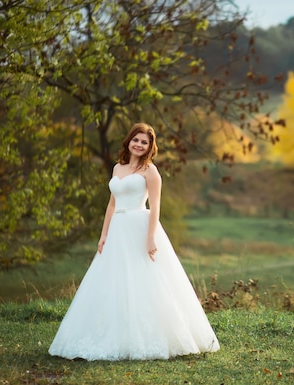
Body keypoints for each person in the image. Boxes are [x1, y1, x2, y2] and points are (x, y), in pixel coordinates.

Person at [49, 123, 220, 361]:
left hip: (139, 226)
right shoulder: (117, 168)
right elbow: (112, 204)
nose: (139, 145)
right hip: (118, 229)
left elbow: (155, 207)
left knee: (146, 279)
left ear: (150, 147)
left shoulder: (150, 171)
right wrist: (104, 234)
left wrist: (150, 237)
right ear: (128, 141)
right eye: (136, 140)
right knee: (113, 281)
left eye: (144, 142)